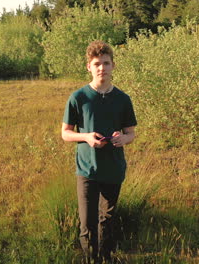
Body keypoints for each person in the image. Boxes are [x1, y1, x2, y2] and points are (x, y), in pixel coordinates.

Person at [61, 40, 137, 263]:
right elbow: (65, 133)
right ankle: (90, 259)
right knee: (87, 223)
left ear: (113, 66)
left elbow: (131, 133)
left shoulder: (123, 99)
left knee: (108, 221)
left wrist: (123, 138)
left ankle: (105, 258)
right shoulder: (79, 97)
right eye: (97, 64)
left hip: (113, 168)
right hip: (87, 169)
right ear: (89, 67)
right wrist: (86, 137)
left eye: (106, 63)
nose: (102, 68)